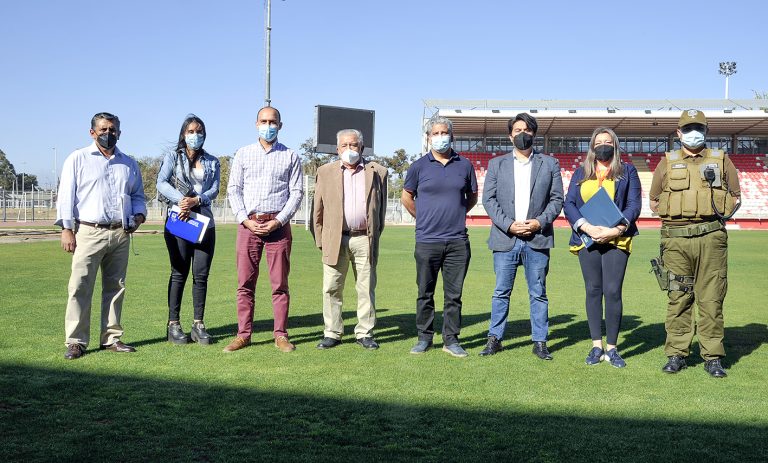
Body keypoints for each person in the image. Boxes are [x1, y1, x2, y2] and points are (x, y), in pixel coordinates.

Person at [649, 109, 740, 378]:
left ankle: (712, 357)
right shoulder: (666, 162)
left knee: (711, 300)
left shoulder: (722, 160)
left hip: (712, 240)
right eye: (687, 128)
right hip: (676, 242)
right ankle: (676, 354)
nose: (693, 133)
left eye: (698, 127)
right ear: (678, 133)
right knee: (679, 298)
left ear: (706, 130)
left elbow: (735, 196)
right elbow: (654, 201)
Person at [56, 112, 147, 360]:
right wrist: (66, 228)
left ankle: (111, 338)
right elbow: (66, 196)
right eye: (103, 129)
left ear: (120, 132)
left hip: (120, 232)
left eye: (113, 129)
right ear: (92, 132)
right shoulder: (78, 159)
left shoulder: (129, 163)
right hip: (88, 231)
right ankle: (76, 341)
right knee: (80, 287)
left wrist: (138, 216)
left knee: (115, 288)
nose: (109, 134)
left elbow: (138, 195)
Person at [479, 113, 564, 359]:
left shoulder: (549, 164)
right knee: (500, 292)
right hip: (506, 238)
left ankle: (540, 341)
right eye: (517, 130)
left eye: (526, 129)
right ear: (510, 135)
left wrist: (538, 223)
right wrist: (509, 225)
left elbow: (556, 199)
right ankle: (495, 339)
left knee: (538, 292)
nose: (522, 134)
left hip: (536, 240)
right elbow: (489, 199)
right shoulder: (497, 164)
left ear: (534, 134)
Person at [225, 106, 303, 353]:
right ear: (255, 123)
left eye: (272, 121)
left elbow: (297, 193)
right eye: (263, 121)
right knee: (245, 284)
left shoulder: (291, 156)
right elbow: (234, 189)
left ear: (280, 125)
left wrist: (279, 220)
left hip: (277, 228)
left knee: (279, 285)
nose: (267, 125)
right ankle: (243, 334)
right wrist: (244, 220)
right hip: (248, 225)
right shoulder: (243, 154)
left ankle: (280, 334)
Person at [563, 127, 642, 368]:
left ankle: (613, 349)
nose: (603, 145)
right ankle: (596, 346)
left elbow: (633, 204)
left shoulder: (627, 171)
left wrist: (615, 230)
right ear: (592, 147)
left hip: (616, 239)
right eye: (599, 142)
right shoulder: (581, 172)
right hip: (587, 239)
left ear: (615, 145)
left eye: (608, 141)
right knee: (593, 290)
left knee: (613, 291)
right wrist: (586, 227)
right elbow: (570, 204)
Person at [401, 116, 478, 358]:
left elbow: (472, 197)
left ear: (452, 136)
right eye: (435, 133)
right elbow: (406, 197)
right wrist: (423, 217)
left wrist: (456, 213)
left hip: (457, 241)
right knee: (425, 292)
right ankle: (424, 338)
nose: (440, 136)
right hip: (426, 240)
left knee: (453, 296)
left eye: (444, 132)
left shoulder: (464, 165)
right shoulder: (418, 166)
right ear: (428, 137)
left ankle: (451, 340)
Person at [312, 129, 388, 350]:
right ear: (337, 149)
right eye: (344, 146)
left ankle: (364, 333)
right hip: (334, 239)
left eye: (353, 145)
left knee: (365, 288)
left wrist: (373, 236)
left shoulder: (378, 172)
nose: (349, 150)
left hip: (364, 238)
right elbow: (317, 211)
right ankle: (332, 332)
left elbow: (380, 212)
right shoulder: (324, 172)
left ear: (362, 148)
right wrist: (321, 241)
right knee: (331, 288)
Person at [157, 114, 220, 345]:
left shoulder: (213, 160)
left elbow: (214, 189)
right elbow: (161, 183)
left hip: (204, 223)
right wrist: (183, 200)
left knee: (201, 275)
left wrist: (197, 200)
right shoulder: (172, 157)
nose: (195, 135)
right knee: (179, 272)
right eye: (191, 131)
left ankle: (198, 325)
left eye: (199, 131)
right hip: (179, 220)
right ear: (183, 134)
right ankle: (173, 325)